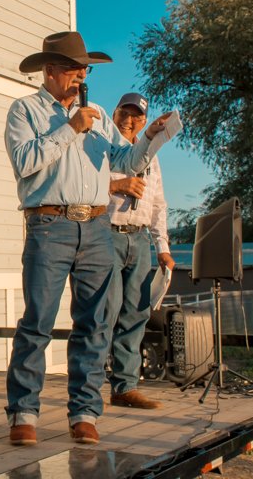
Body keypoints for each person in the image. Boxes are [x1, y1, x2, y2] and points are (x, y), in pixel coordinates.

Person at [3, 31, 173, 447]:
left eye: (85, 69)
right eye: (75, 69)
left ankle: (84, 412)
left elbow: (124, 161)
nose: (82, 76)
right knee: (38, 322)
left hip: (97, 228)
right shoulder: (25, 110)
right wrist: (68, 129)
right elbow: (25, 163)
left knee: (96, 322)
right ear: (51, 70)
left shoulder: (96, 112)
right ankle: (24, 413)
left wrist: (149, 139)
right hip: (49, 226)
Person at [106, 92, 176, 410]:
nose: (129, 120)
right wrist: (117, 185)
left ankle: (125, 386)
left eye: (137, 116)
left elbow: (158, 203)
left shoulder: (151, 155)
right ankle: (88, 385)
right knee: (101, 312)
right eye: (125, 112)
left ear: (145, 121)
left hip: (140, 238)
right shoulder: (101, 142)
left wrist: (162, 246)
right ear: (115, 112)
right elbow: (82, 181)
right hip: (106, 235)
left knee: (135, 313)